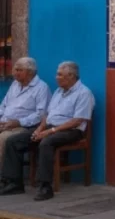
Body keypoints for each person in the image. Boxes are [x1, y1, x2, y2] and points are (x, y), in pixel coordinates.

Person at [0, 61, 95, 201]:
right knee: (14, 141)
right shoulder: (58, 91)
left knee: (46, 142)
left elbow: (77, 121)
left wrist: (50, 131)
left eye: (60, 75)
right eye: (57, 74)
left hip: (70, 130)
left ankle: (45, 186)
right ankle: (14, 183)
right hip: (50, 127)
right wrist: (39, 129)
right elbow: (47, 115)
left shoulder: (84, 93)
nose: (56, 77)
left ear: (71, 76)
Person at [0, 58, 50, 170]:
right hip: (5, 123)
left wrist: (19, 122)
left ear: (30, 72)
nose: (15, 72)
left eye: (19, 70)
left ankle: (4, 177)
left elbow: (41, 114)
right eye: (15, 69)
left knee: (3, 139)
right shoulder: (14, 85)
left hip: (25, 127)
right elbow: (4, 105)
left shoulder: (41, 88)